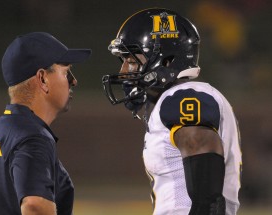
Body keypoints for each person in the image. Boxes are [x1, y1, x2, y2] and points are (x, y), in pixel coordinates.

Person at [102, 8, 242, 215]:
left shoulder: (185, 96)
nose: (124, 72)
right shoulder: (174, 100)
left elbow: (208, 198)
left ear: (166, 61)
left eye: (131, 61)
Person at [0, 32, 91, 215]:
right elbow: (34, 205)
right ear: (43, 79)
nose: (74, 81)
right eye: (66, 72)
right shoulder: (33, 137)